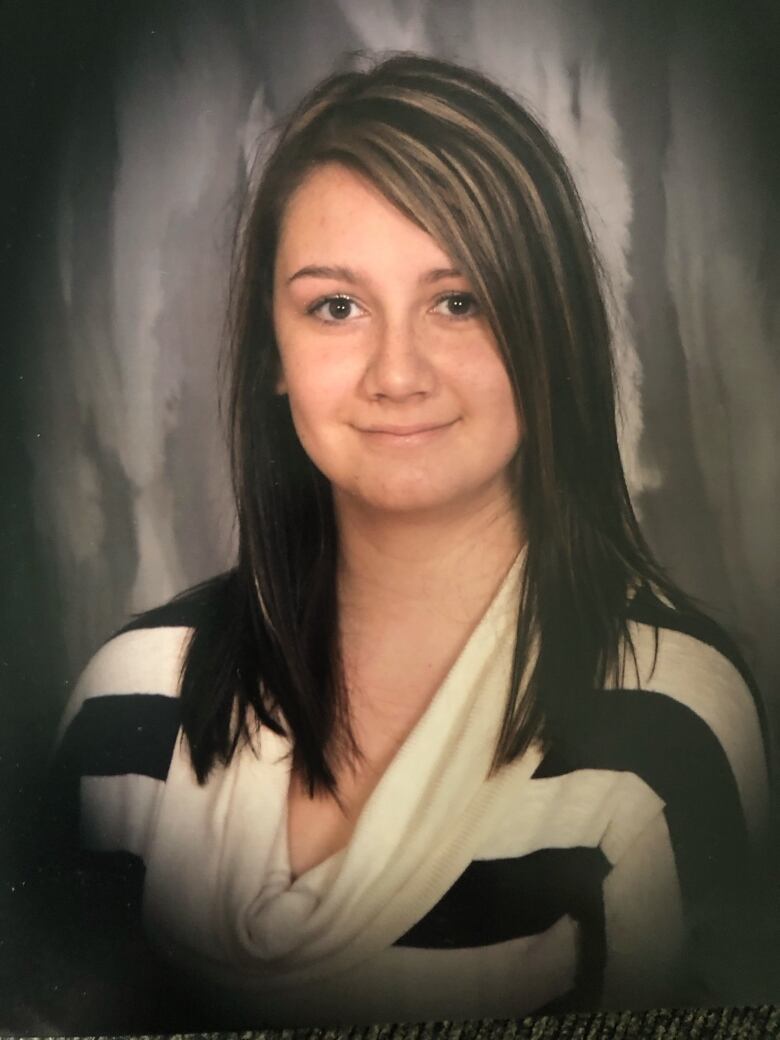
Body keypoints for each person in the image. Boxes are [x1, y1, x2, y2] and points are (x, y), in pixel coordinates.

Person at [49, 53, 770, 1028]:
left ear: (547, 328)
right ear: (274, 352)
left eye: (459, 300)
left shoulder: (672, 716)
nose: (398, 371)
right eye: (336, 306)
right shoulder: (125, 698)